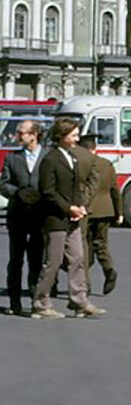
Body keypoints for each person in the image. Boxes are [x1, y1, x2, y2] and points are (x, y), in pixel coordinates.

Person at [31, 117, 102, 318]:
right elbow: (48, 191)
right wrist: (68, 208)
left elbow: (75, 186)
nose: (77, 138)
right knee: (53, 261)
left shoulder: (73, 157)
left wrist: (80, 206)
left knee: (78, 258)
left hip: (73, 216)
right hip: (55, 218)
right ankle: (41, 302)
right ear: (61, 137)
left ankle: (79, 301)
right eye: (73, 135)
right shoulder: (50, 159)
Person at [2, 120, 46, 315]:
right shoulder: (12, 158)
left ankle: (36, 300)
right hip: (18, 214)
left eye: (21, 133)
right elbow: (3, 183)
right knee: (15, 259)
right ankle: (14, 301)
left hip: (39, 215)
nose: (18, 136)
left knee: (36, 259)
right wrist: (17, 192)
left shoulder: (48, 157)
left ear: (34, 134)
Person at [81, 134, 122, 295]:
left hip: (87, 210)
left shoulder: (81, 165)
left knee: (84, 246)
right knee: (101, 243)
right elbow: (114, 189)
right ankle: (109, 269)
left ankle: (86, 285)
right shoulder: (106, 164)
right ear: (95, 148)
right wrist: (119, 213)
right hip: (105, 210)